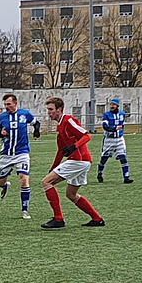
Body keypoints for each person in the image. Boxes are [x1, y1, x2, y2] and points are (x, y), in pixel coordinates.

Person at [40, 97, 105, 229]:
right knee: (71, 194)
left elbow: (86, 136)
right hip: (81, 162)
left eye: (51, 109)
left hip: (79, 161)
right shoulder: (60, 126)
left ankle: (58, 219)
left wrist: (75, 147)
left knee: (46, 182)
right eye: (48, 110)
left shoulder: (68, 120)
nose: (49, 113)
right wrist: (52, 168)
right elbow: (60, 151)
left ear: (59, 109)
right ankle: (97, 219)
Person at [0, 94, 40, 220]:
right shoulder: (2, 117)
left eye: (8, 104)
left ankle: (25, 210)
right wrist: (0, 134)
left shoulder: (25, 114)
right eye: (5, 105)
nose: (6, 107)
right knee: (0, 182)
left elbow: (36, 123)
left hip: (22, 153)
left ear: (15, 103)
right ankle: (5, 186)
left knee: (24, 179)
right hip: (6, 154)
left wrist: (36, 132)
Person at [97, 98, 133, 184]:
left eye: (113, 104)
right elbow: (105, 126)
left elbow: (122, 124)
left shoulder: (122, 114)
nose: (111, 106)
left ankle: (126, 177)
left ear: (117, 106)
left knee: (123, 158)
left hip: (119, 139)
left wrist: (120, 129)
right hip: (109, 139)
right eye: (111, 104)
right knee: (104, 158)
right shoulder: (106, 115)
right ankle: (100, 174)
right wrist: (114, 129)